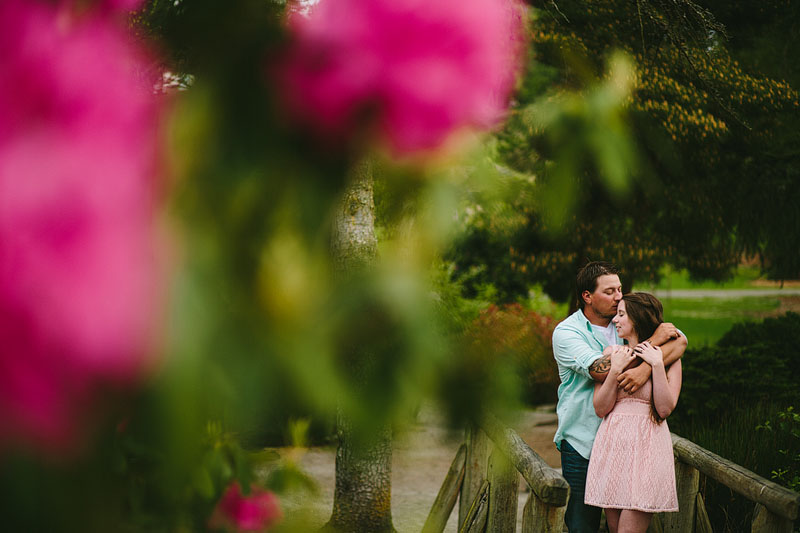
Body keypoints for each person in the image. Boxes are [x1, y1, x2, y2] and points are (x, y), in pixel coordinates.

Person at [552, 262, 686, 533]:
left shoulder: (623, 320)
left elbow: (680, 340)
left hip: (632, 447)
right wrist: (654, 343)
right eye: (610, 291)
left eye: (620, 290)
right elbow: (600, 371)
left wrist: (647, 366)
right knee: (582, 527)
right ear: (587, 296)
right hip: (583, 443)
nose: (617, 297)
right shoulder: (567, 333)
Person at [584, 292, 682, 533]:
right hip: (613, 447)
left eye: (621, 314)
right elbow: (600, 408)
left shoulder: (668, 358)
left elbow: (664, 408)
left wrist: (655, 366)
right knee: (615, 528)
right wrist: (615, 370)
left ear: (637, 319)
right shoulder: (611, 354)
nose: (615, 320)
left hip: (647, 448)